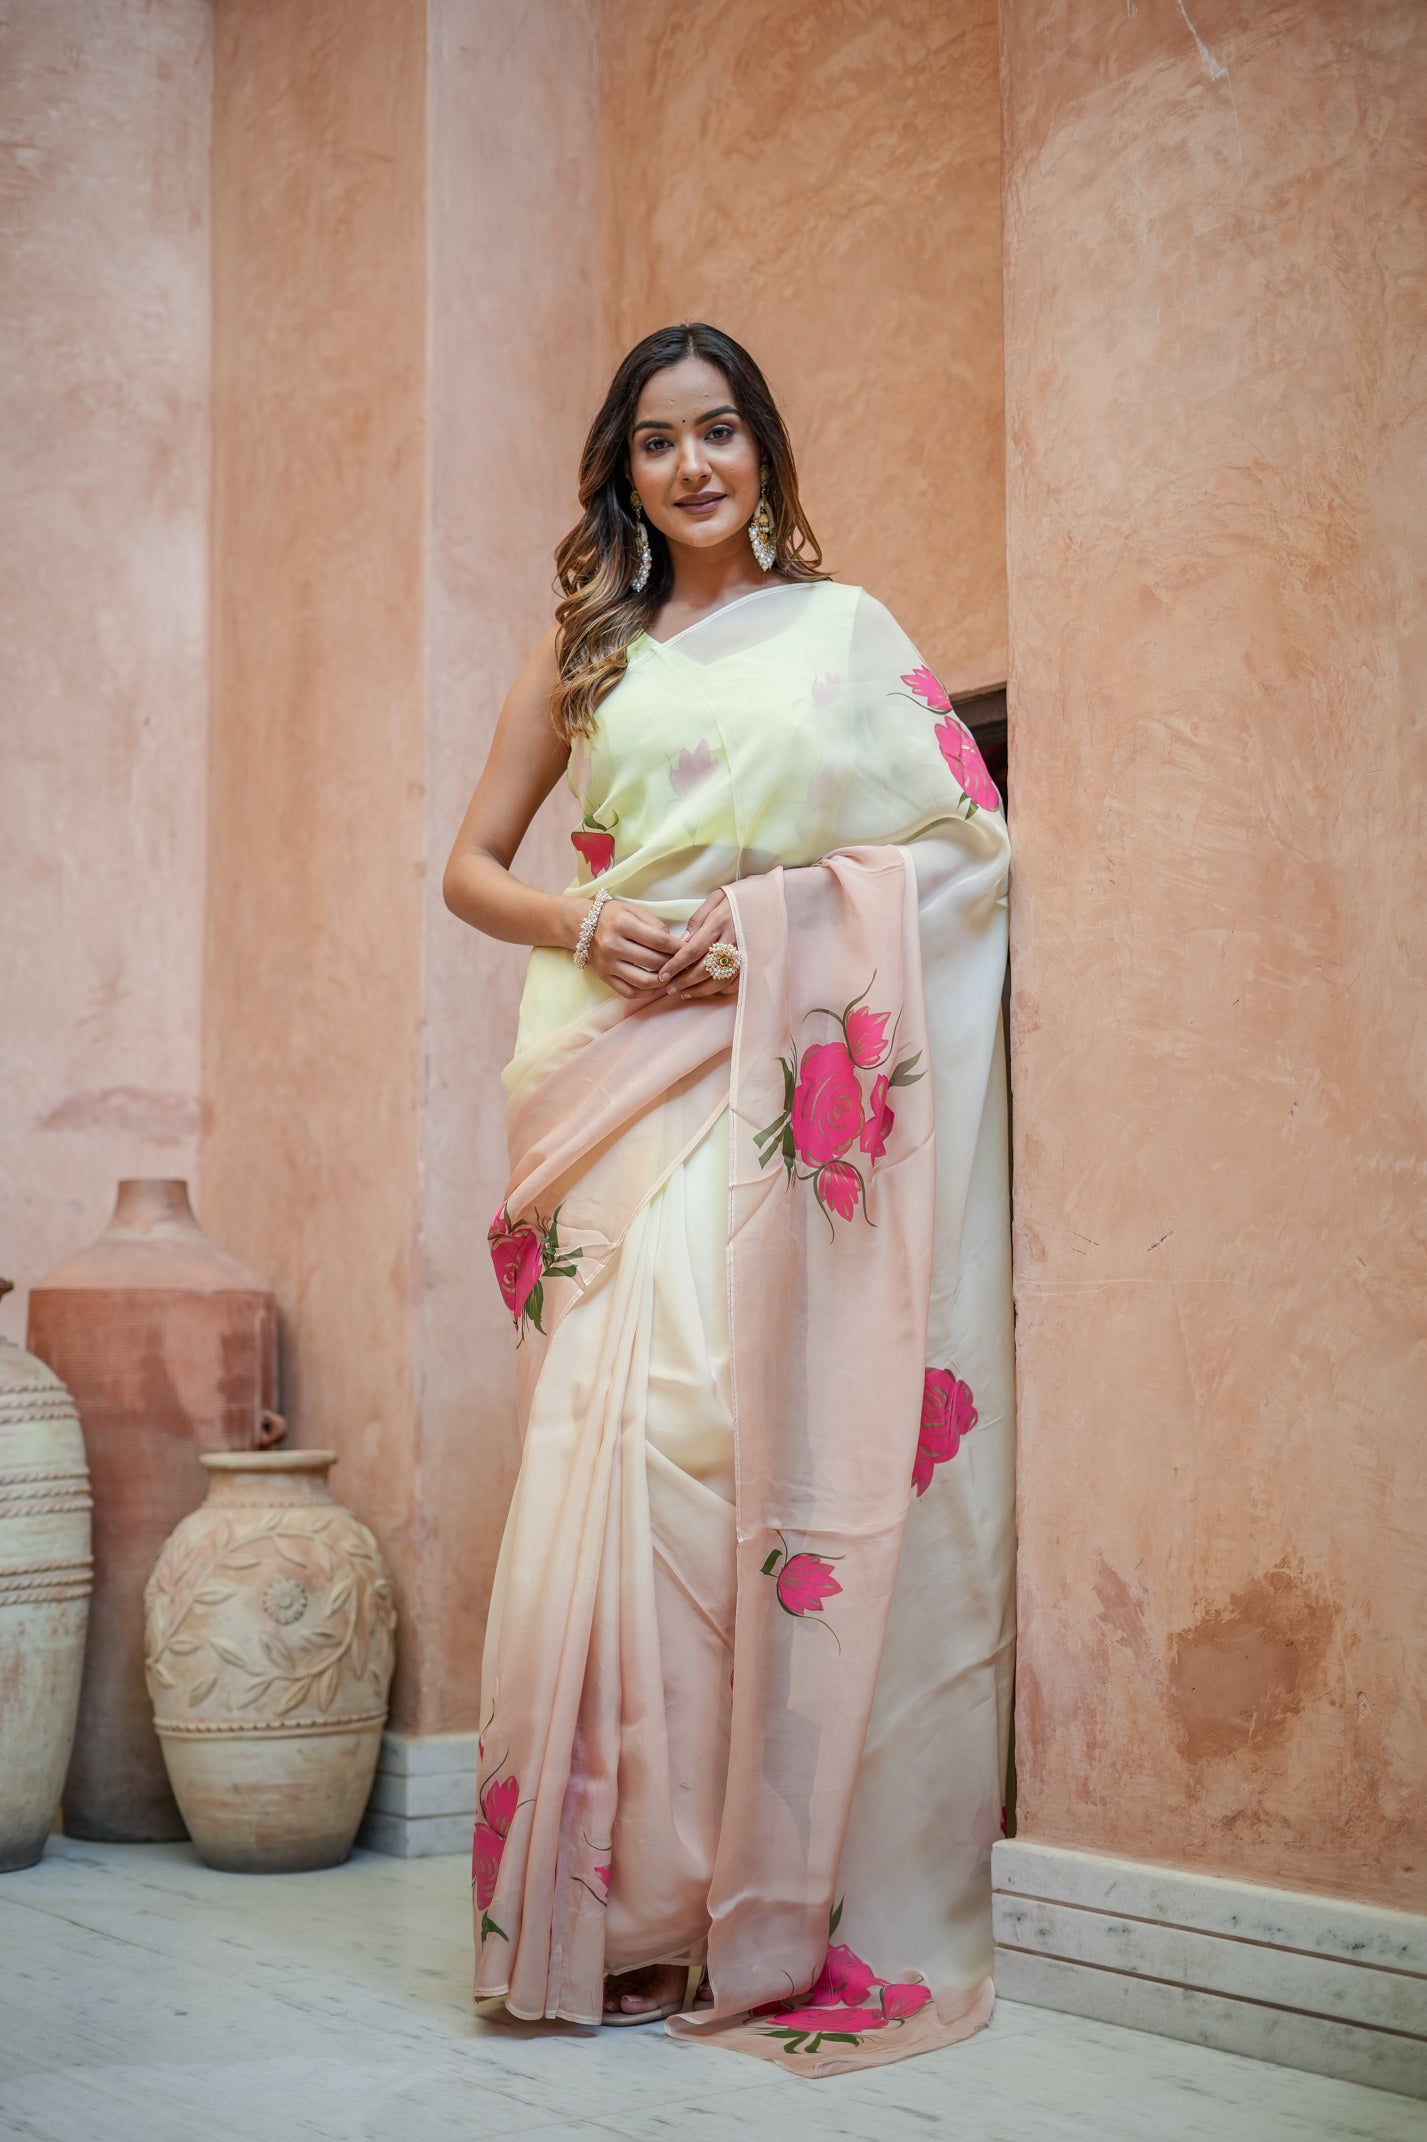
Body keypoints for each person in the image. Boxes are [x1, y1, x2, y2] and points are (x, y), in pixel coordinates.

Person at [442, 323, 1013, 2077]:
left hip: (763, 1083)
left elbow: (967, 847)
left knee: (716, 1455)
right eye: (657, 444)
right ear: (621, 471)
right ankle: (602, 1908)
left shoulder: (846, 636)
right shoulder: (586, 654)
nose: (693, 468)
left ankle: (735, 1899)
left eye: (722, 435)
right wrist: (586, 921)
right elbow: (471, 868)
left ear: (763, 451)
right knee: (600, 1473)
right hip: (616, 1084)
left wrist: (773, 927)